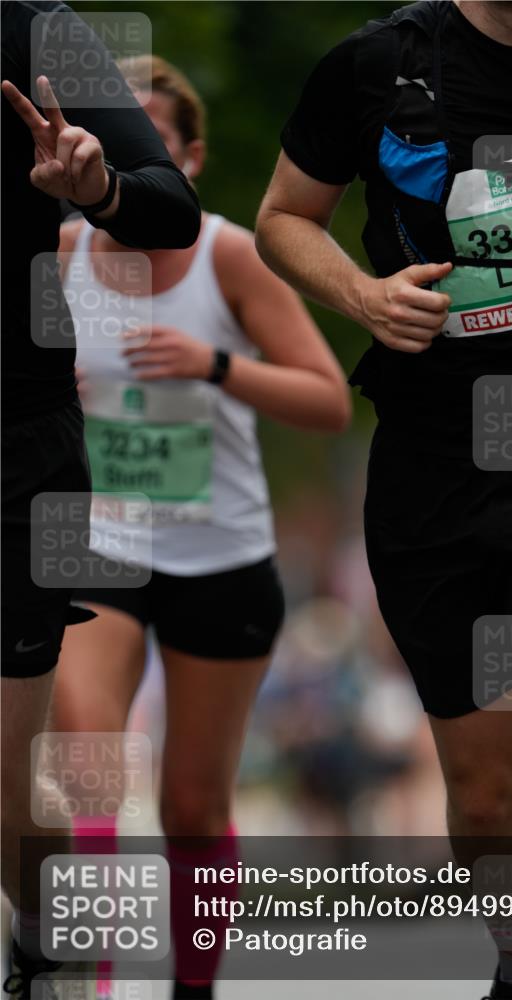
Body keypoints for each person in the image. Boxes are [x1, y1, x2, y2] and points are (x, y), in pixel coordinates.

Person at [255, 2, 512, 998]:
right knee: (484, 798)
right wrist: (358, 294)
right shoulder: (374, 69)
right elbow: (280, 219)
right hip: (436, 462)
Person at [51, 54, 350, 1000]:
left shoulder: (228, 255)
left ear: (189, 158)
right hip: (104, 544)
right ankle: (89, 981)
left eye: (149, 144)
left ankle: (194, 987)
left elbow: (327, 401)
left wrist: (211, 365)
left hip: (221, 556)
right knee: (85, 762)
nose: (125, 162)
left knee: (189, 806)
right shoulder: (60, 259)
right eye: (111, 138)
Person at [1, 3, 200, 996]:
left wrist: (101, 188)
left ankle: (48, 939)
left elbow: (171, 208)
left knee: (6, 794)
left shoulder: (35, 32)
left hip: (15, 455)